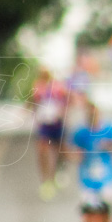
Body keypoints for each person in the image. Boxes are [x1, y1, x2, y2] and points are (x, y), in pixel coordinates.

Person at [29, 67, 71, 201]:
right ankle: (46, 180)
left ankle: (59, 170)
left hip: (57, 123)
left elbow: (67, 100)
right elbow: (32, 102)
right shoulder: (37, 87)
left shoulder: (58, 87)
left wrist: (63, 112)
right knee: (43, 150)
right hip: (44, 125)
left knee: (60, 150)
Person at [71, 102, 112, 204]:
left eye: (94, 114)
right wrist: (77, 156)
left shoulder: (109, 129)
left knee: (106, 208)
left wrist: (109, 146)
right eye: (90, 114)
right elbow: (71, 152)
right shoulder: (80, 132)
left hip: (107, 177)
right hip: (86, 178)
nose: (92, 116)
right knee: (88, 211)